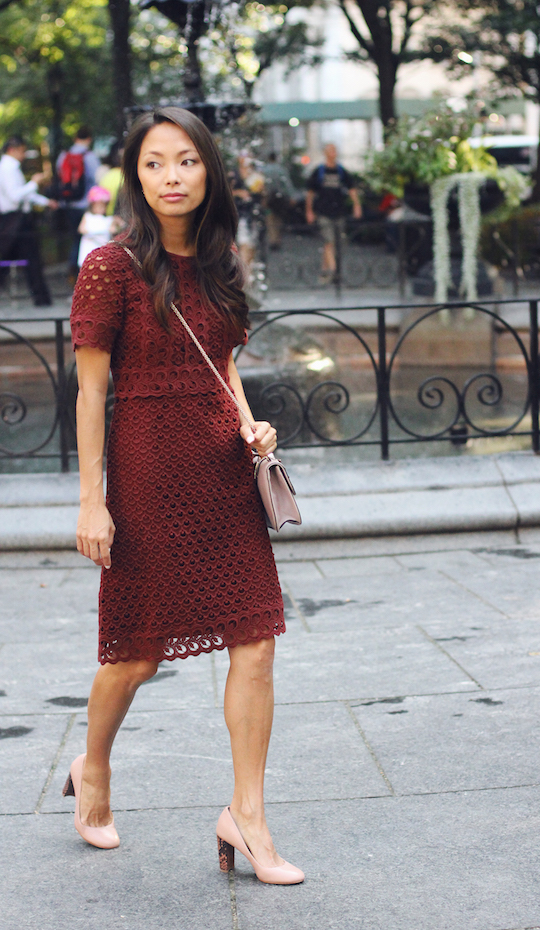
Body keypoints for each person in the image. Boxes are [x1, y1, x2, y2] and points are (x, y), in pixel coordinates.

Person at [65, 106, 303, 886]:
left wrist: (250, 423)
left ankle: (248, 815)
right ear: (136, 175)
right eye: (156, 163)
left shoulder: (223, 262)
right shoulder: (110, 267)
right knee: (134, 656)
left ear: (209, 171)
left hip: (222, 477)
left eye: (187, 162)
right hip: (144, 479)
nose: (172, 177)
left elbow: (223, 366)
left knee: (256, 642)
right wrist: (92, 502)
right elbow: (90, 393)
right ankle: (92, 767)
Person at [0, 135, 58, 306]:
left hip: (16, 219)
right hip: (15, 220)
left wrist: (45, 201)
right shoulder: (8, 168)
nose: (24, 155)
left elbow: (24, 195)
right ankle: (41, 299)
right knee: (29, 260)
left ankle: (42, 299)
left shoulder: (11, 168)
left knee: (22, 260)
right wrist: (33, 183)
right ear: (13, 149)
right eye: (22, 151)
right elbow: (15, 196)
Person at [305, 143, 362, 284]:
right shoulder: (319, 171)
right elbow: (310, 193)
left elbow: (352, 188)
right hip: (324, 212)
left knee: (334, 244)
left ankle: (325, 271)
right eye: (331, 150)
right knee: (329, 242)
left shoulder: (341, 171)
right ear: (325, 153)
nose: (333, 153)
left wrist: (356, 205)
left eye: (335, 150)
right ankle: (335, 271)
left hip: (339, 212)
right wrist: (309, 211)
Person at [57, 126, 101, 280]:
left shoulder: (64, 156)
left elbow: (60, 176)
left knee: (75, 239)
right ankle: (85, 276)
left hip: (68, 204)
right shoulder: (89, 156)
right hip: (85, 205)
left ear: (75, 138)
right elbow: (97, 179)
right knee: (84, 240)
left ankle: (73, 274)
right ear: (89, 139)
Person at [77, 186, 120, 268]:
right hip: (88, 253)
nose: (101, 208)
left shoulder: (108, 220)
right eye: (98, 205)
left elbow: (114, 230)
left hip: (102, 256)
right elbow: (81, 229)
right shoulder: (87, 217)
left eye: (103, 206)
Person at [262, 153, 295, 250]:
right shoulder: (281, 170)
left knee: (270, 218)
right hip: (280, 198)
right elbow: (287, 184)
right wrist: (291, 196)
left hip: (268, 198)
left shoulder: (265, 170)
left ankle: (273, 239)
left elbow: (262, 184)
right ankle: (277, 239)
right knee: (279, 218)